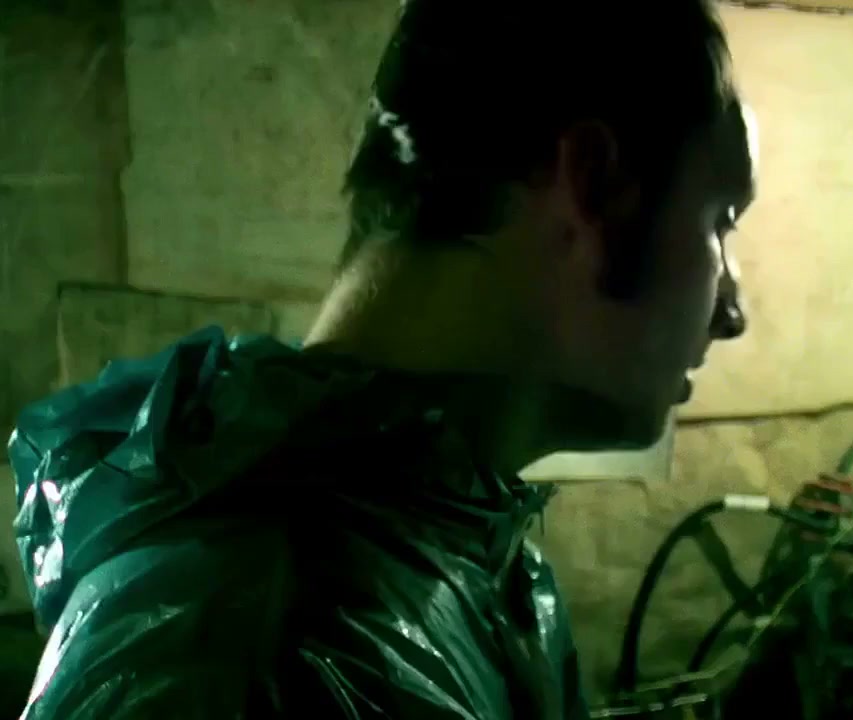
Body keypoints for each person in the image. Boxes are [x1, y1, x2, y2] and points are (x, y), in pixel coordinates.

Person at [7, 1, 755, 718]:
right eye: (719, 221)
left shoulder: (455, 560)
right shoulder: (230, 658)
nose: (733, 314)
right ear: (591, 183)